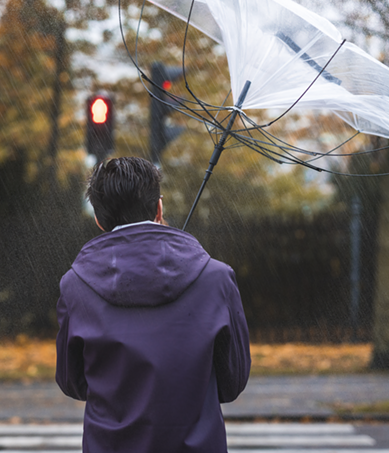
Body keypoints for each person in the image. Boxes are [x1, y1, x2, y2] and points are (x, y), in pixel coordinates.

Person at [55, 157, 251, 453]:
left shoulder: (75, 285)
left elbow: (73, 382)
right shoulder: (216, 278)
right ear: (159, 208)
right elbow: (232, 381)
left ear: (99, 219)